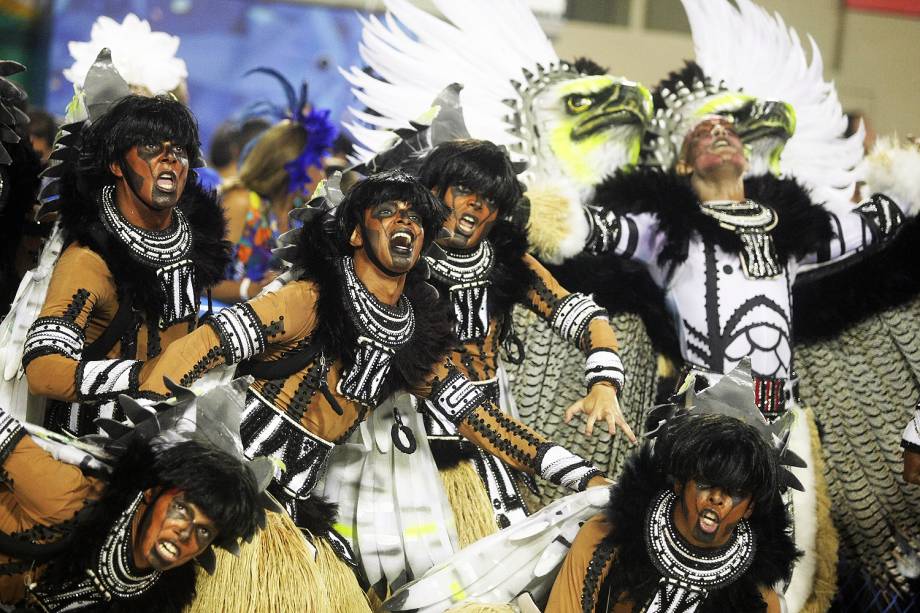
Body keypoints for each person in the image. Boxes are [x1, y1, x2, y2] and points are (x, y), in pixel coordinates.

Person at [135, 169, 609, 531]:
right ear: (357, 233)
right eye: (387, 211)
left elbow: (485, 421)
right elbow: (205, 345)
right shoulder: (310, 299)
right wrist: (142, 418)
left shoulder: (412, 337)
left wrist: (582, 476)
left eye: (417, 217)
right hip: (217, 491)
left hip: (298, 510)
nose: (405, 221)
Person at [416, 139, 634, 528]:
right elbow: (460, 405)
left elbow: (582, 315)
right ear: (432, 190)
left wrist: (604, 382)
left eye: (489, 200)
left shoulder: (507, 261)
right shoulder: (399, 269)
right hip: (407, 445)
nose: (475, 207)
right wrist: (581, 475)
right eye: (464, 190)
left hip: (494, 432)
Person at [23, 94, 229, 437]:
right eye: (150, 145)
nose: (169, 156)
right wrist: (142, 374)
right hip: (88, 451)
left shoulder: (190, 247)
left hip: (171, 443)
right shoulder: (89, 261)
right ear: (117, 165)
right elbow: (43, 370)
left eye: (179, 148)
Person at [0, 379, 273, 611]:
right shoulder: (69, 496)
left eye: (203, 532)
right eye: (181, 509)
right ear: (151, 493)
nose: (186, 534)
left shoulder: (162, 595)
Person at [545, 409, 798, 612]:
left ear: (750, 507)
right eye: (705, 483)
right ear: (680, 482)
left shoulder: (756, 596)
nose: (717, 499)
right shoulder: (605, 538)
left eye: (735, 492)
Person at [212, 71, 335, 304]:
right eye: (317, 164)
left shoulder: (300, 216)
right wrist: (251, 289)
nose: (322, 175)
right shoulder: (241, 202)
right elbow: (195, 281)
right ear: (290, 167)